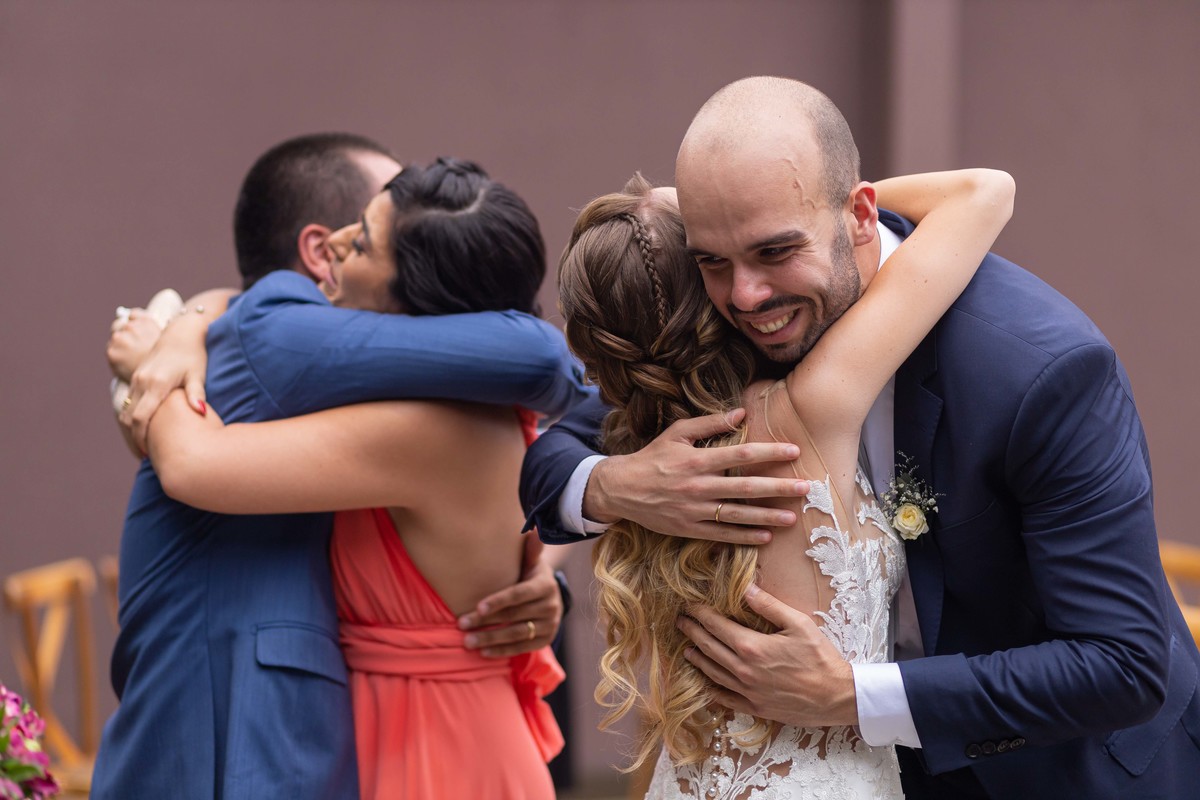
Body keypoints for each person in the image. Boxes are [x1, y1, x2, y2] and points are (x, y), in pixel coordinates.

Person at [521, 77, 1200, 799]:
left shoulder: (1041, 370)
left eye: (776, 248)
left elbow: (1120, 666)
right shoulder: (740, 317)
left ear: (860, 213)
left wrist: (854, 695)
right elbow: (557, 455)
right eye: (712, 261)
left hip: (1063, 769)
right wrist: (617, 485)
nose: (745, 297)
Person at [96, 137, 588, 800]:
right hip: (394, 726)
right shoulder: (428, 406)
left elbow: (193, 462)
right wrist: (196, 315)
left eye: (362, 245)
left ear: (413, 295)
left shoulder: (425, 428)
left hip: (437, 747)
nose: (341, 247)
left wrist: (152, 357)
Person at [555, 167, 1012, 798]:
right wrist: (810, 207)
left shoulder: (643, 454)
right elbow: (984, 192)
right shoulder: (810, 409)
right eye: (713, 253)